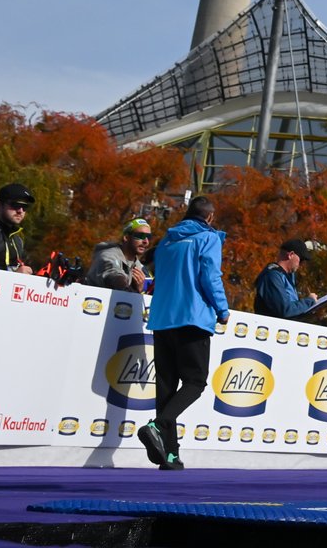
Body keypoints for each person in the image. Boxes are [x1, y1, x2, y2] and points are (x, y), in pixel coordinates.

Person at [139, 197, 229, 470]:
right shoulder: (207, 238)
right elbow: (210, 276)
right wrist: (222, 309)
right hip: (192, 317)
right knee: (195, 382)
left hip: (163, 318)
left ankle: (170, 454)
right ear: (210, 217)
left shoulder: (166, 241)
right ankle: (157, 426)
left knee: (166, 388)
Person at [253, 240, 322, 319]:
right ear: (291, 255)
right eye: (301, 260)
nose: (302, 264)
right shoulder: (272, 276)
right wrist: (309, 301)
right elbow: (285, 310)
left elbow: (290, 308)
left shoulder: (287, 276)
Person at [84, 218, 154, 292]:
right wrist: (127, 289)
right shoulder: (108, 255)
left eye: (148, 237)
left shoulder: (139, 266)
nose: (146, 241)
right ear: (126, 237)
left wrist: (139, 289)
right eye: (140, 236)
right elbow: (113, 274)